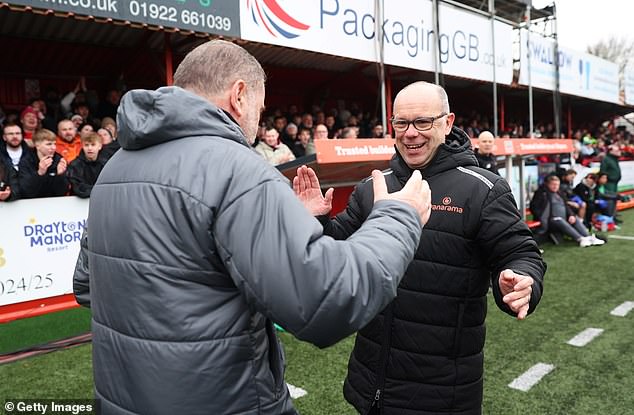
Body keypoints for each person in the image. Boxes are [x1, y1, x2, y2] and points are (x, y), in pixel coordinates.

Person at [72, 40, 433, 415]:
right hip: (225, 401)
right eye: (261, 111)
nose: (258, 125)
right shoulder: (235, 167)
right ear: (239, 96)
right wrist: (398, 216)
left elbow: (89, 284)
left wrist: (291, 224)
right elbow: (325, 300)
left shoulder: (114, 170)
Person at [294, 81, 546, 415]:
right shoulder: (374, 186)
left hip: (442, 393)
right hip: (372, 383)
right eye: (401, 123)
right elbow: (336, 252)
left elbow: (522, 254)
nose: (411, 133)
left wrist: (522, 279)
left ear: (448, 122)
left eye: (423, 122)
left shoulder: (484, 190)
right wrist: (316, 222)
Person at [530, 174, 604, 247]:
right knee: (559, 219)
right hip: (550, 220)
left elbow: (566, 205)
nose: (555, 186)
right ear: (547, 184)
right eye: (553, 184)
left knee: (575, 218)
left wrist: (571, 215)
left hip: (562, 217)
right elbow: (533, 207)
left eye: (557, 185)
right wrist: (540, 216)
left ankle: (589, 237)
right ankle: (580, 239)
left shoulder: (559, 193)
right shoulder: (542, 193)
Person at [18, 128, 68, 199]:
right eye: (49, 144)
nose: (53, 147)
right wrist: (39, 174)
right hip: (31, 204)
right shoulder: (26, 162)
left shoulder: (59, 160)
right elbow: (26, 191)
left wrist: (60, 175)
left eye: (54, 144)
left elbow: (63, 192)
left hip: (55, 203)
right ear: (37, 146)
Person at [67, 132, 106, 198]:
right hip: (78, 203)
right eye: (86, 145)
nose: (89, 148)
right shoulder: (75, 165)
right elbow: (77, 187)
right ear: (82, 146)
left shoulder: (106, 164)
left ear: (100, 146)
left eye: (93, 145)